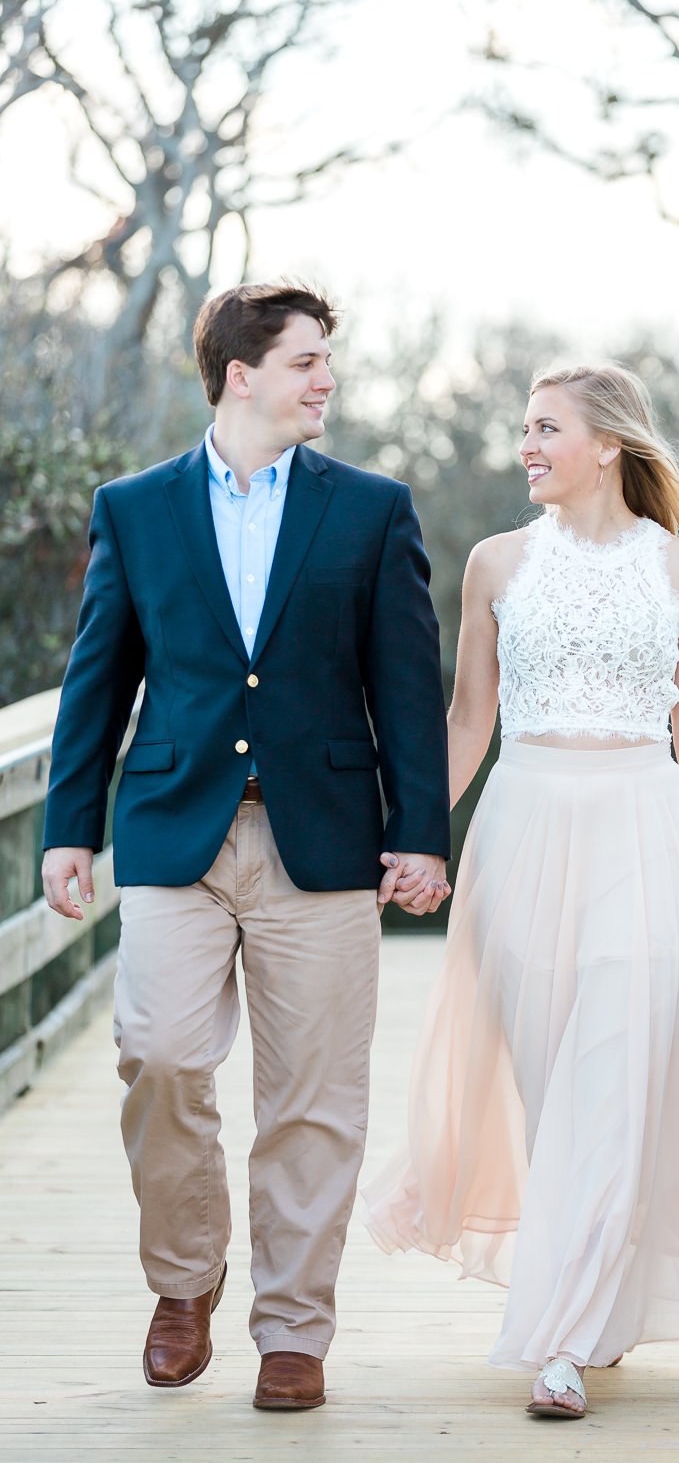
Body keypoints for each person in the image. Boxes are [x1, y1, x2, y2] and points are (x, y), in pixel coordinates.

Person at [362, 361, 679, 1419]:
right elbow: (466, 724)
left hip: (642, 827)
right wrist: (410, 840)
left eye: (546, 429)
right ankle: (597, 1299)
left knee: (613, 1074)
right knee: (556, 1086)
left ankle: (562, 1343)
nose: (527, 446)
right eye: (524, 429)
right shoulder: (496, 565)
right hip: (523, 828)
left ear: (610, 445)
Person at [41, 282, 452, 1412]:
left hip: (321, 840)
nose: (326, 379)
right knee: (161, 1055)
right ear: (241, 374)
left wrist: (421, 833)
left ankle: (292, 1330)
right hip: (176, 832)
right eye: (307, 360)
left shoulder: (371, 508)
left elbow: (406, 687)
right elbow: (98, 675)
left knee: (315, 1096)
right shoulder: (135, 507)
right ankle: (186, 1283)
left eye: (327, 360)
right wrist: (68, 826)